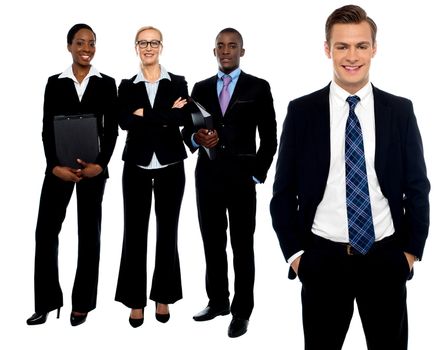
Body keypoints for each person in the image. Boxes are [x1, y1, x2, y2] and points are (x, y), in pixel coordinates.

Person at [270, 5, 430, 349]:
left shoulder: (400, 111)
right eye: (342, 46)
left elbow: (417, 188)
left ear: (374, 48)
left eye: (361, 45)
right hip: (321, 260)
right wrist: (297, 257)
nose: (352, 56)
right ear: (328, 49)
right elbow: (282, 193)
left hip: (385, 258)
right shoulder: (301, 112)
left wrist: (410, 253)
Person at [182, 27, 277, 338]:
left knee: (242, 246)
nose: (226, 50)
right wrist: (195, 137)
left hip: (240, 180)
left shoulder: (258, 88)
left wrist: (256, 172)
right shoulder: (200, 87)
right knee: (212, 244)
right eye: (220, 46)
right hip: (206, 179)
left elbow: (270, 138)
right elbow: (187, 131)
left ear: (241, 51)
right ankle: (218, 301)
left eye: (232, 46)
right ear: (214, 52)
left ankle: (241, 311)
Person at [26, 23, 118, 326]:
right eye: (80, 43)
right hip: (59, 169)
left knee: (89, 235)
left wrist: (100, 165)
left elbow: (111, 131)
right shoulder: (55, 83)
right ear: (69, 46)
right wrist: (54, 166)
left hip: (92, 170)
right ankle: (46, 302)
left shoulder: (106, 83)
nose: (87, 49)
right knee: (45, 232)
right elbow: (46, 127)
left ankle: (83, 303)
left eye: (92, 43)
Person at [114, 26, 190, 328]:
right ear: (136, 47)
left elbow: (183, 119)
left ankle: (163, 296)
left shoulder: (179, 82)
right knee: (134, 233)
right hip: (136, 166)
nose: (149, 47)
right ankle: (135, 301)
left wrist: (144, 115)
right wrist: (165, 115)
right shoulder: (126, 85)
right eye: (143, 43)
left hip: (171, 165)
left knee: (168, 233)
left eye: (154, 42)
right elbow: (122, 122)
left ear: (162, 46)